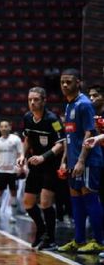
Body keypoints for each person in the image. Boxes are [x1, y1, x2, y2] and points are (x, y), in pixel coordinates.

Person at [58, 69, 104, 253]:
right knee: (75, 200)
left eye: (68, 82)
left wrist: (81, 160)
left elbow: (90, 132)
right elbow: (69, 136)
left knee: (90, 199)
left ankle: (99, 241)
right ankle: (79, 240)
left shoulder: (84, 104)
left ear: (79, 83)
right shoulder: (69, 105)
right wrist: (65, 161)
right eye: (62, 82)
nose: (64, 85)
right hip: (73, 161)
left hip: (88, 161)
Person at [17, 87, 65, 250]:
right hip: (34, 165)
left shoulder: (53, 119)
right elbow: (28, 139)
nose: (32, 102)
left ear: (44, 100)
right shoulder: (27, 117)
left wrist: (43, 157)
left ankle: (50, 238)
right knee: (28, 203)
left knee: (45, 202)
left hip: (51, 165)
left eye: (36, 99)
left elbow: (61, 144)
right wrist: (23, 155)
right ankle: (41, 229)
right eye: (30, 99)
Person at [0, 120, 24, 223]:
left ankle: (13, 215)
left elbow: (21, 154)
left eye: (6, 126)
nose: (4, 128)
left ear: (9, 128)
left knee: (13, 193)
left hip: (12, 171)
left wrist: (21, 167)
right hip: (1, 171)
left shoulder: (15, 139)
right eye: (2, 126)